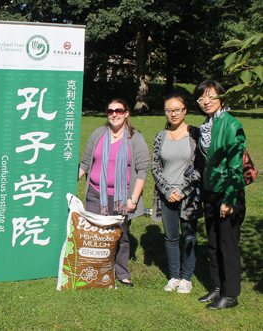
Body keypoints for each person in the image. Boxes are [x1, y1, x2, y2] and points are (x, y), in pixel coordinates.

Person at [78, 98, 149, 287]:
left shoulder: (135, 138)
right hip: (95, 194)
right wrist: (67, 183)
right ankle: (95, 270)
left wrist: (133, 199)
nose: (114, 114)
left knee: (121, 235)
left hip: (121, 197)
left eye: (119, 110)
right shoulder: (98, 134)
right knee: (96, 234)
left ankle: (121, 272)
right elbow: (85, 162)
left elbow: (142, 170)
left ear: (126, 113)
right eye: (110, 111)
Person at [194, 80, 246, 310]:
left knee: (228, 244)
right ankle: (217, 287)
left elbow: (236, 166)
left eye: (211, 96)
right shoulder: (208, 124)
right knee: (214, 243)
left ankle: (231, 294)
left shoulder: (231, 125)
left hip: (227, 192)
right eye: (201, 98)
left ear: (221, 98)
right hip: (210, 191)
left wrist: (230, 199)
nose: (206, 101)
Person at [151, 93, 203, 294]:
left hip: (189, 195)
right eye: (169, 110)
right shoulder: (160, 136)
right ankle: (174, 276)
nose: (173, 114)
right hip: (166, 194)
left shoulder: (195, 134)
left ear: (185, 110)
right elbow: (156, 167)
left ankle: (187, 278)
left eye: (177, 109)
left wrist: (182, 191)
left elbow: (200, 166)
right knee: (171, 237)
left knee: (189, 236)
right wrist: (167, 190)